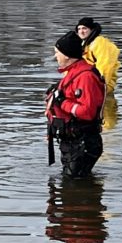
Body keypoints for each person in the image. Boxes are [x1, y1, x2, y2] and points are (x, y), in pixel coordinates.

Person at [46, 31, 106, 178]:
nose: (55, 57)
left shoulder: (86, 77)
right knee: (72, 184)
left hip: (82, 142)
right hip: (73, 141)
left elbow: (88, 111)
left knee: (74, 184)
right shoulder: (73, 74)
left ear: (67, 54)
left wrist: (63, 102)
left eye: (57, 52)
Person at [75, 17, 121, 95]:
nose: (81, 31)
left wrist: (99, 84)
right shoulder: (85, 44)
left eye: (84, 28)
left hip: (102, 86)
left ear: (91, 29)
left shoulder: (99, 43)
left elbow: (105, 66)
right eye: (79, 29)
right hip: (89, 82)